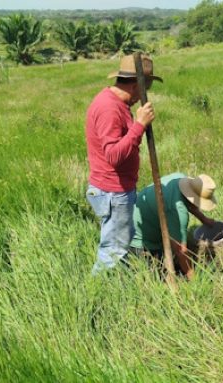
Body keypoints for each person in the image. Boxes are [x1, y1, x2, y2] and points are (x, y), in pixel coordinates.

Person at [85, 54, 162, 274]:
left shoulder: (115, 102)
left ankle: (116, 282)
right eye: (144, 89)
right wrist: (139, 125)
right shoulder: (109, 108)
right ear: (137, 86)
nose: (142, 97)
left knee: (115, 244)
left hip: (113, 190)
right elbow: (114, 155)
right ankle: (98, 296)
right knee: (113, 252)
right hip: (113, 192)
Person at [130, 173, 217, 280]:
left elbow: (189, 202)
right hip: (140, 237)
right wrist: (193, 278)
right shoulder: (177, 211)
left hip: (138, 212)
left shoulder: (180, 178)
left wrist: (203, 219)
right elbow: (181, 251)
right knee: (157, 274)